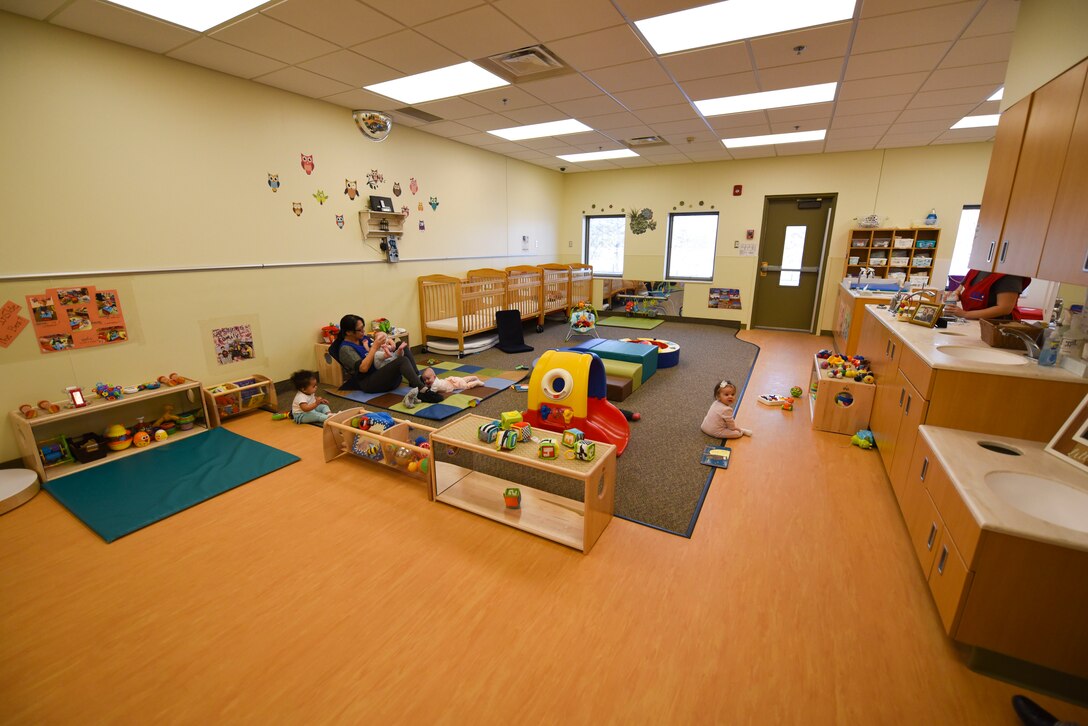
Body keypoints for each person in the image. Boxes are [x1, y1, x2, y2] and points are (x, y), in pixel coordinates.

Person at [328, 314, 440, 406]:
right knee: (402, 361)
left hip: (384, 370)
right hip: (370, 382)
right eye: (359, 330)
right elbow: (363, 368)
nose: (363, 331)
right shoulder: (346, 349)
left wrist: (389, 343)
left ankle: (416, 379)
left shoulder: (362, 338)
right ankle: (422, 390)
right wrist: (374, 347)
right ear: (348, 332)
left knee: (401, 345)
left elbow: (381, 348)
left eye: (363, 327)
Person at [943, 269, 1031, 320]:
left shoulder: (1009, 275)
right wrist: (954, 295)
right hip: (974, 321)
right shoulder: (976, 269)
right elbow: (960, 289)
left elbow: (1004, 309)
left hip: (998, 327)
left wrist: (965, 314)